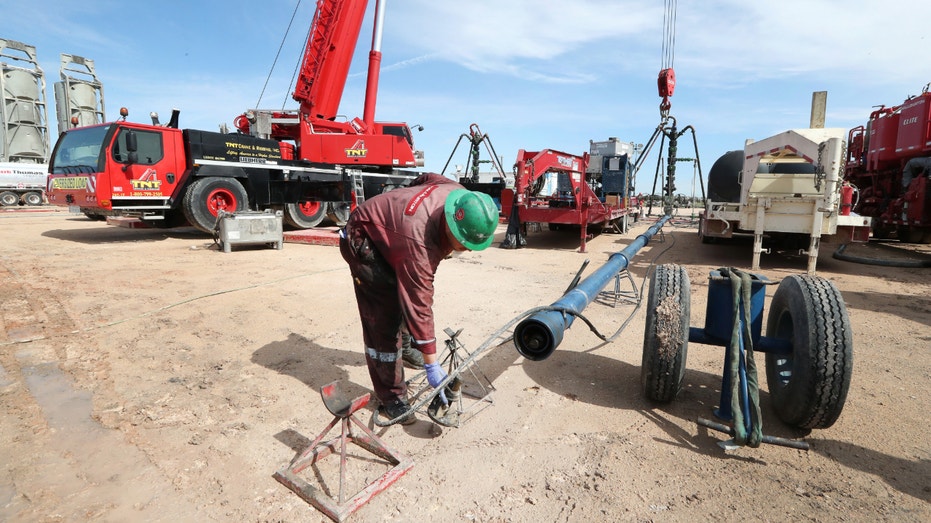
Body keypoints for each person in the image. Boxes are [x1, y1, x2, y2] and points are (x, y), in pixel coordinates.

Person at [339, 173, 498, 424]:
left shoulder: (456, 194)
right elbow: (420, 305)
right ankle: (391, 397)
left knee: (402, 296)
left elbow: (425, 178)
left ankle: (407, 346)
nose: (466, 249)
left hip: (392, 233)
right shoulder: (418, 244)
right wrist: (432, 364)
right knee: (384, 319)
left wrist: (404, 202)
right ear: (450, 226)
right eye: (464, 243)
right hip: (362, 240)